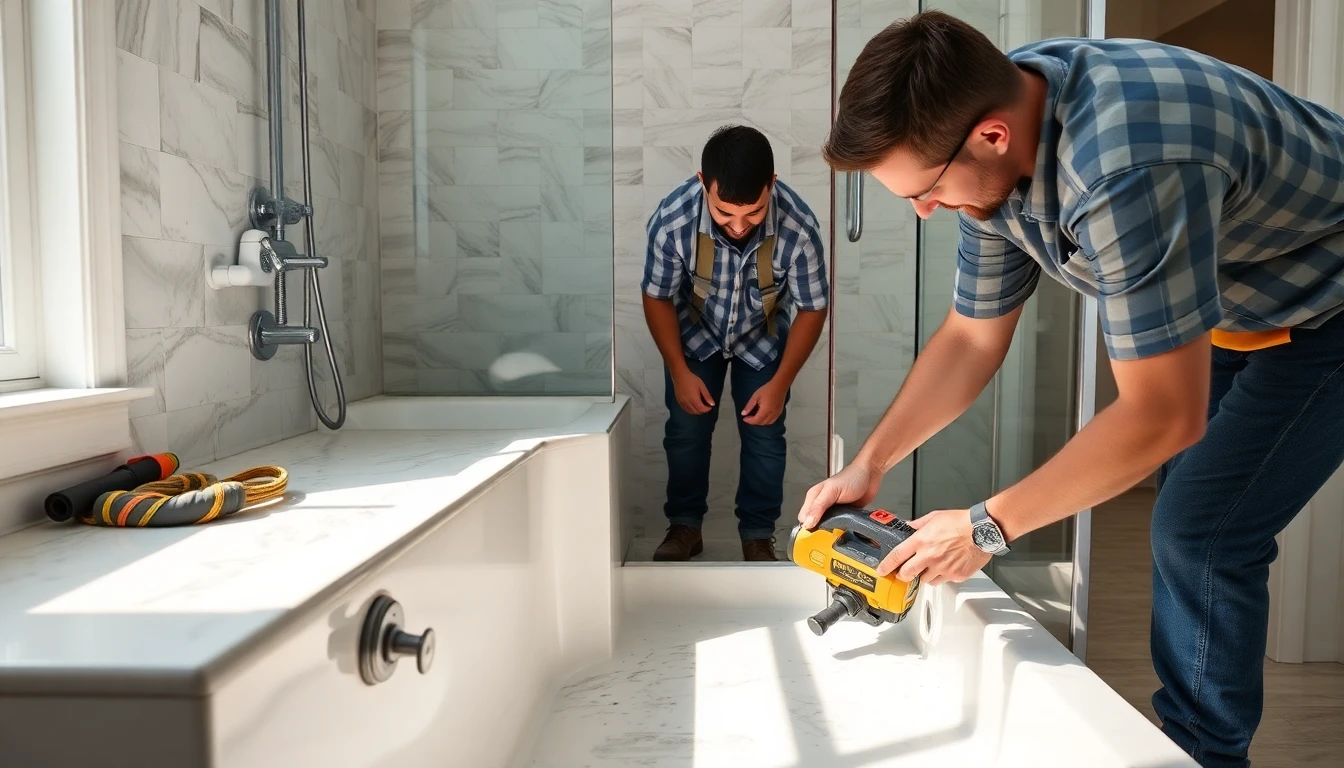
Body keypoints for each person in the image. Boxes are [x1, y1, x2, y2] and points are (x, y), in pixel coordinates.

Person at [798, 11, 1344, 768]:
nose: (923, 211)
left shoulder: (1125, 164)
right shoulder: (993, 134)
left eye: (924, 191)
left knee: (1200, 531)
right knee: (1189, 526)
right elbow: (971, 337)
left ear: (990, 135)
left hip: (1332, 306)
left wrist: (986, 528)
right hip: (1240, 307)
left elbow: (1162, 415)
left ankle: (1201, 760)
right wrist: (872, 462)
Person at [643, 125, 829, 562]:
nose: (740, 226)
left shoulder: (799, 227)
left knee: (765, 436)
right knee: (686, 433)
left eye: (754, 212)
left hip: (762, 339)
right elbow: (656, 297)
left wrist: (781, 383)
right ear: (703, 184)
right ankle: (685, 527)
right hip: (692, 336)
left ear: (772, 185)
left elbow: (813, 307)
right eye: (725, 213)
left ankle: (758, 536)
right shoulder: (672, 220)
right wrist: (678, 370)